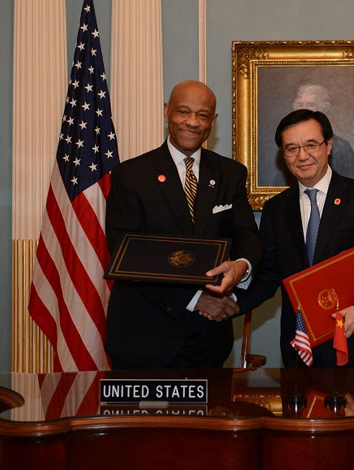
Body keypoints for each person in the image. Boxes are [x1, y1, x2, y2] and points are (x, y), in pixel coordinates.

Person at [105, 81, 261, 369]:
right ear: (167, 112)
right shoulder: (131, 175)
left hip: (208, 339)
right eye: (183, 112)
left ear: (213, 120)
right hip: (143, 338)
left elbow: (245, 232)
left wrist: (242, 266)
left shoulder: (231, 173)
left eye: (202, 115)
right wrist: (194, 299)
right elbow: (127, 254)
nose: (192, 122)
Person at [235, 109, 354, 367]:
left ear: (328, 145)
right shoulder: (276, 209)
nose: (302, 155)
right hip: (300, 352)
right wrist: (231, 302)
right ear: (283, 155)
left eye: (311, 145)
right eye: (292, 148)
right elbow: (269, 274)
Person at [292, 84, 354, 178]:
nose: (304, 109)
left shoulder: (341, 147)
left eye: (311, 105)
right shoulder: (290, 146)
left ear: (323, 109)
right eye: (301, 104)